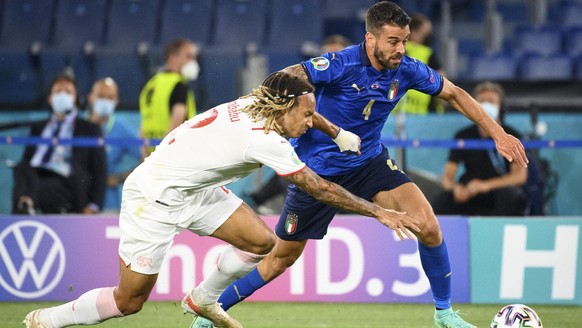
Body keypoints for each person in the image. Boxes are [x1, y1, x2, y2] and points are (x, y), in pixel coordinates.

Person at [190, 2, 528, 328]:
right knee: (280, 259)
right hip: (315, 171)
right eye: (393, 41)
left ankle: (444, 314)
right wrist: (308, 114)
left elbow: (454, 93)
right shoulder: (340, 64)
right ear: (371, 38)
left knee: (428, 226)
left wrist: (497, 134)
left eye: (405, 41)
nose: (400, 49)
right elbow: (285, 78)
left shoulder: (407, 69)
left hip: (369, 163)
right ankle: (210, 311)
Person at [23, 71, 420, 328]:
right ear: (283, 109)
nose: (307, 122)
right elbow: (318, 187)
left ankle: (202, 299)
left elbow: (306, 109)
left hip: (195, 188)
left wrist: (337, 133)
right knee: (129, 301)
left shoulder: (261, 102)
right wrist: (377, 211)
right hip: (154, 197)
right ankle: (47, 320)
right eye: (305, 115)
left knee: (261, 242)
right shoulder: (264, 139)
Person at [12, 74, 106, 215]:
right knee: (22, 168)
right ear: (50, 98)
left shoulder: (89, 128)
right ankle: (24, 207)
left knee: (37, 186)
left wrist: (94, 204)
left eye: (68, 92)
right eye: (58, 92)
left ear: (76, 99)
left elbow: (100, 169)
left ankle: (24, 205)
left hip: (68, 181)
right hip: (37, 176)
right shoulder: (38, 127)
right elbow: (28, 159)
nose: (62, 95)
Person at [431, 82, 528, 216]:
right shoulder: (463, 136)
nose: (486, 105)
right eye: (482, 101)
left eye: (491, 101)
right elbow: (447, 178)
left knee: (511, 196)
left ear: (501, 107)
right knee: (441, 201)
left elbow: (519, 177)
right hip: (470, 191)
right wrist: (456, 189)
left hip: (497, 190)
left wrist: (486, 185)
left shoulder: (512, 136)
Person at [87, 78, 142, 210]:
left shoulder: (121, 128)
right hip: (79, 196)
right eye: (101, 96)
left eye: (110, 98)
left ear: (116, 101)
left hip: (108, 201)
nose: (105, 101)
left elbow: (147, 159)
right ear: (90, 97)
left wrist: (119, 178)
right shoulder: (78, 125)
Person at [139, 38, 199, 155]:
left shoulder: (151, 84)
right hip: (173, 154)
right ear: (172, 58)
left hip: (151, 154)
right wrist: (163, 153)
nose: (193, 62)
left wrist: (146, 157)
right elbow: (177, 120)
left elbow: (143, 124)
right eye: (188, 57)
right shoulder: (178, 85)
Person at [394, 13, 445, 115]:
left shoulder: (393, 50)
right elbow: (443, 83)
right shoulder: (428, 54)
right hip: (423, 116)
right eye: (426, 32)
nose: (429, 36)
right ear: (414, 32)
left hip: (394, 114)